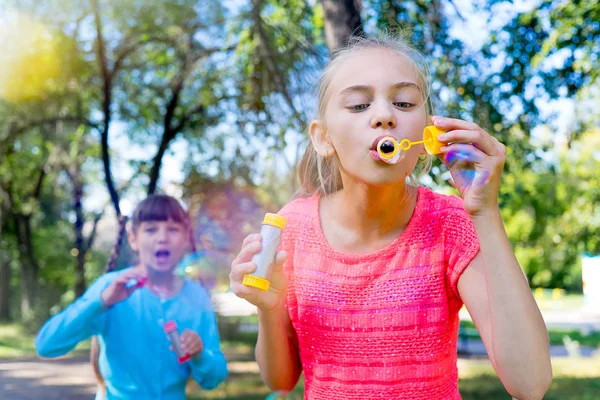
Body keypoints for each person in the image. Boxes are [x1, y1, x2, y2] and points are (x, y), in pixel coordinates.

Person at [230, 32, 552, 399]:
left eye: (403, 102)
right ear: (323, 138)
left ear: (426, 129)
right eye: (357, 106)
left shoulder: (450, 223)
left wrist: (486, 211)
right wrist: (269, 309)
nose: (384, 116)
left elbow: (531, 384)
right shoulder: (293, 230)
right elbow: (281, 380)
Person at [36, 194, 228, 400]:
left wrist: (200, 355)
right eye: (151, 229)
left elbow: (213, 379)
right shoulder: (111, 288)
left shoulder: (196, 296)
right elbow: (47, 345)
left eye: (173, 229)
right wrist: (101, 302)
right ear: (133, 239)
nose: (162, 237)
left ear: (184, 238)